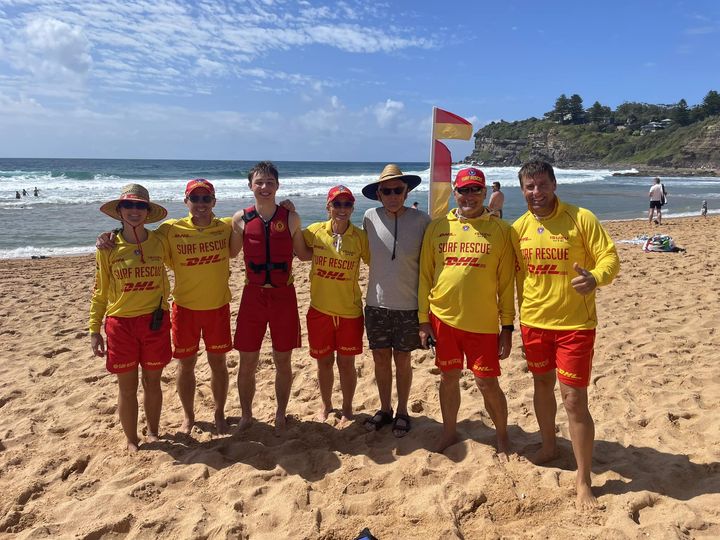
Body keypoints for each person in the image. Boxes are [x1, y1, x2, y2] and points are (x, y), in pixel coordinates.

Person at [513, 160, 620, 511]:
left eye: (542, 184)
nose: (536, 192)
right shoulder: (518, 228)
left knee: (574, 400)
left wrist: (596, 278)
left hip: (575, 326)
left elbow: (610, 258)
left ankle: (583, 478)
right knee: (541, 385)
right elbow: (509, 276)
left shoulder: (581, 218)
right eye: (529, 186)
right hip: (533, 322)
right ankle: (548, 446)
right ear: (522, 190)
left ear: (554, 184)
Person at [97, 179, 234, 435]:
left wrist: (287, 210)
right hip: (184, 308)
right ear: (186, 201)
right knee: (186, 365)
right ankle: (189, 416)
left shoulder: (226, 227)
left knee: (219, 363)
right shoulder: (169, 230)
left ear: (214, 202)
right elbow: (137, 238)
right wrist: (108, 236)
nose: (201, 203)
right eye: (195, 198)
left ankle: (219, 413)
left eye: (206, 198)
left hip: (218, 307)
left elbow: (250, 220)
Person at [418, 167, 515, 454]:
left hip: (482, 323)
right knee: (448, 378)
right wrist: (423, 320)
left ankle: (502, 435)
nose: (469, 196)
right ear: (455, 192)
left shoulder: (501, 230)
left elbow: (506, 284)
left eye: (475, 190)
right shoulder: (437, 227)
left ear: (485, 192)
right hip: (442, 319)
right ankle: (449, 432)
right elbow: (425, 276)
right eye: (464, 190)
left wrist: (507, 328)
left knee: (486, 383)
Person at [89, 184, 171, 452]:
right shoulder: (107, 247)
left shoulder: (161, 240)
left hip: (155, 321)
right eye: (128, 205)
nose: (134, 211)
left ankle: (154, 432)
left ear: (147, 211)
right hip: (120, 324)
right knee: (127, 387)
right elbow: (100, 290)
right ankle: (131, 439)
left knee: (153, 382)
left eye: (140, 206)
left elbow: (190, 238)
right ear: (119, 210)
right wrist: (94, 330)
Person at [229, 161, 308, 431]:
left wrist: (334, 243)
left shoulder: (291, 218)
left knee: (283, 360)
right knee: (247, 361)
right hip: (252, 296)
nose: (265, 187)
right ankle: (246, 415)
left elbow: (304, 254)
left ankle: (281, 413)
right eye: (259, 182)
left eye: (270, 182)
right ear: (250, 186)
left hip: (283, 296)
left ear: (278, 186)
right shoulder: (240, 219)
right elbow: (230, 252)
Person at [361, 164, 430, 437]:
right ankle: (385, 408)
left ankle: (402, 410)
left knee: (403, 360)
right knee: (380, 359)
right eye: (386, 191)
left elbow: (431, 262)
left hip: (408, 305)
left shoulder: (422, 220)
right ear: (378, 194)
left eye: (397, 190)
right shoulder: (369, 217)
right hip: (376, 304)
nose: (392, 196)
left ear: (407, 192)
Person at [294, 186, 370, 426]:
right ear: (328, 207)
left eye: (347, 204)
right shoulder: (315, 231)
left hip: (350, 312)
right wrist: (291, 217)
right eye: (337, 204)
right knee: (324, 363)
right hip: (320, 311)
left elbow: (378, 264)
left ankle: (347, 408)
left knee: (347, 364)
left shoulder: (360, 237)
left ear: (353, 208)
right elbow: (301, 253)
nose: (342, 209)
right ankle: (326, 405)